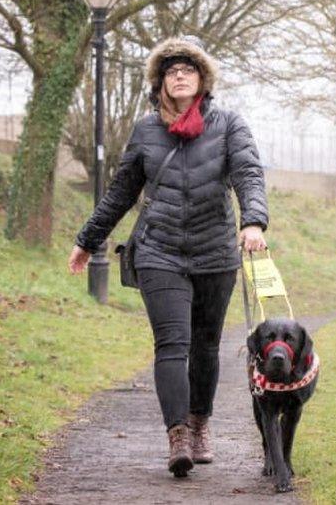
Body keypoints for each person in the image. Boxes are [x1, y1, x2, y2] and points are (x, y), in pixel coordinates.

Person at [67, 35, 268, 478]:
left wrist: (252, 221)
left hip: (215, 250)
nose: (179, 74)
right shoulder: (145, 130)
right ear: (160, 81)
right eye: (171, 69)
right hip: (159, 251)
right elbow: (122, 191)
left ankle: (200, 424)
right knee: (172, 344)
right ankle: (177, 434)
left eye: (188, 69)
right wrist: (88, 239)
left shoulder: (230, 124)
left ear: (202, 80)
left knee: (206, 346)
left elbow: (249, 174)